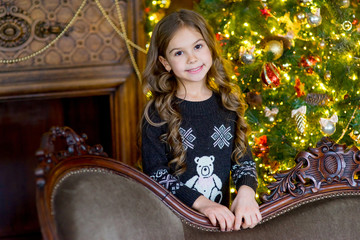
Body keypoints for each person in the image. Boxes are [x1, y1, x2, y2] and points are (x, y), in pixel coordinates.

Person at [141, 9, 262, 232]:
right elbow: (156, 175)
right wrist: (204, 205)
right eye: (178, 53)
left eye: (198, 46)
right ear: (165, 62)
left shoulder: (228, 105)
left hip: (219, 227)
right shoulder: (157, 114)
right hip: (172, 228)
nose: (192, 58)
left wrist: (246, 192)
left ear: (210, 47)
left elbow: (243, 162)